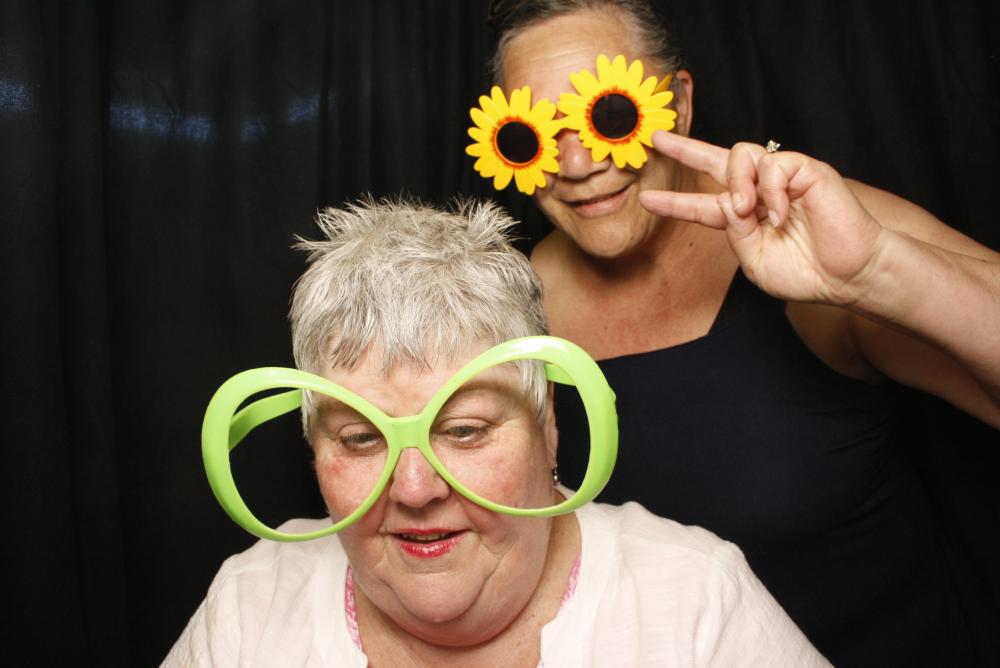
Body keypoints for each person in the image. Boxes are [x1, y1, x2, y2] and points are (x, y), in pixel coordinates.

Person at [478, 1, 1000, 666]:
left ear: (678, 104)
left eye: (609, 116)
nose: (576, 163)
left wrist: (878, 272)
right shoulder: (500, 316)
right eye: (533, 136)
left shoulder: (814, 231)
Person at [164, 199, 829, 666]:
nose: (415, 488)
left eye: (465, 430)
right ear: (314, 450)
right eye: (362, 438)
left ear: (548, 427)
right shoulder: (250, 605)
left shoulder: (694, 599)